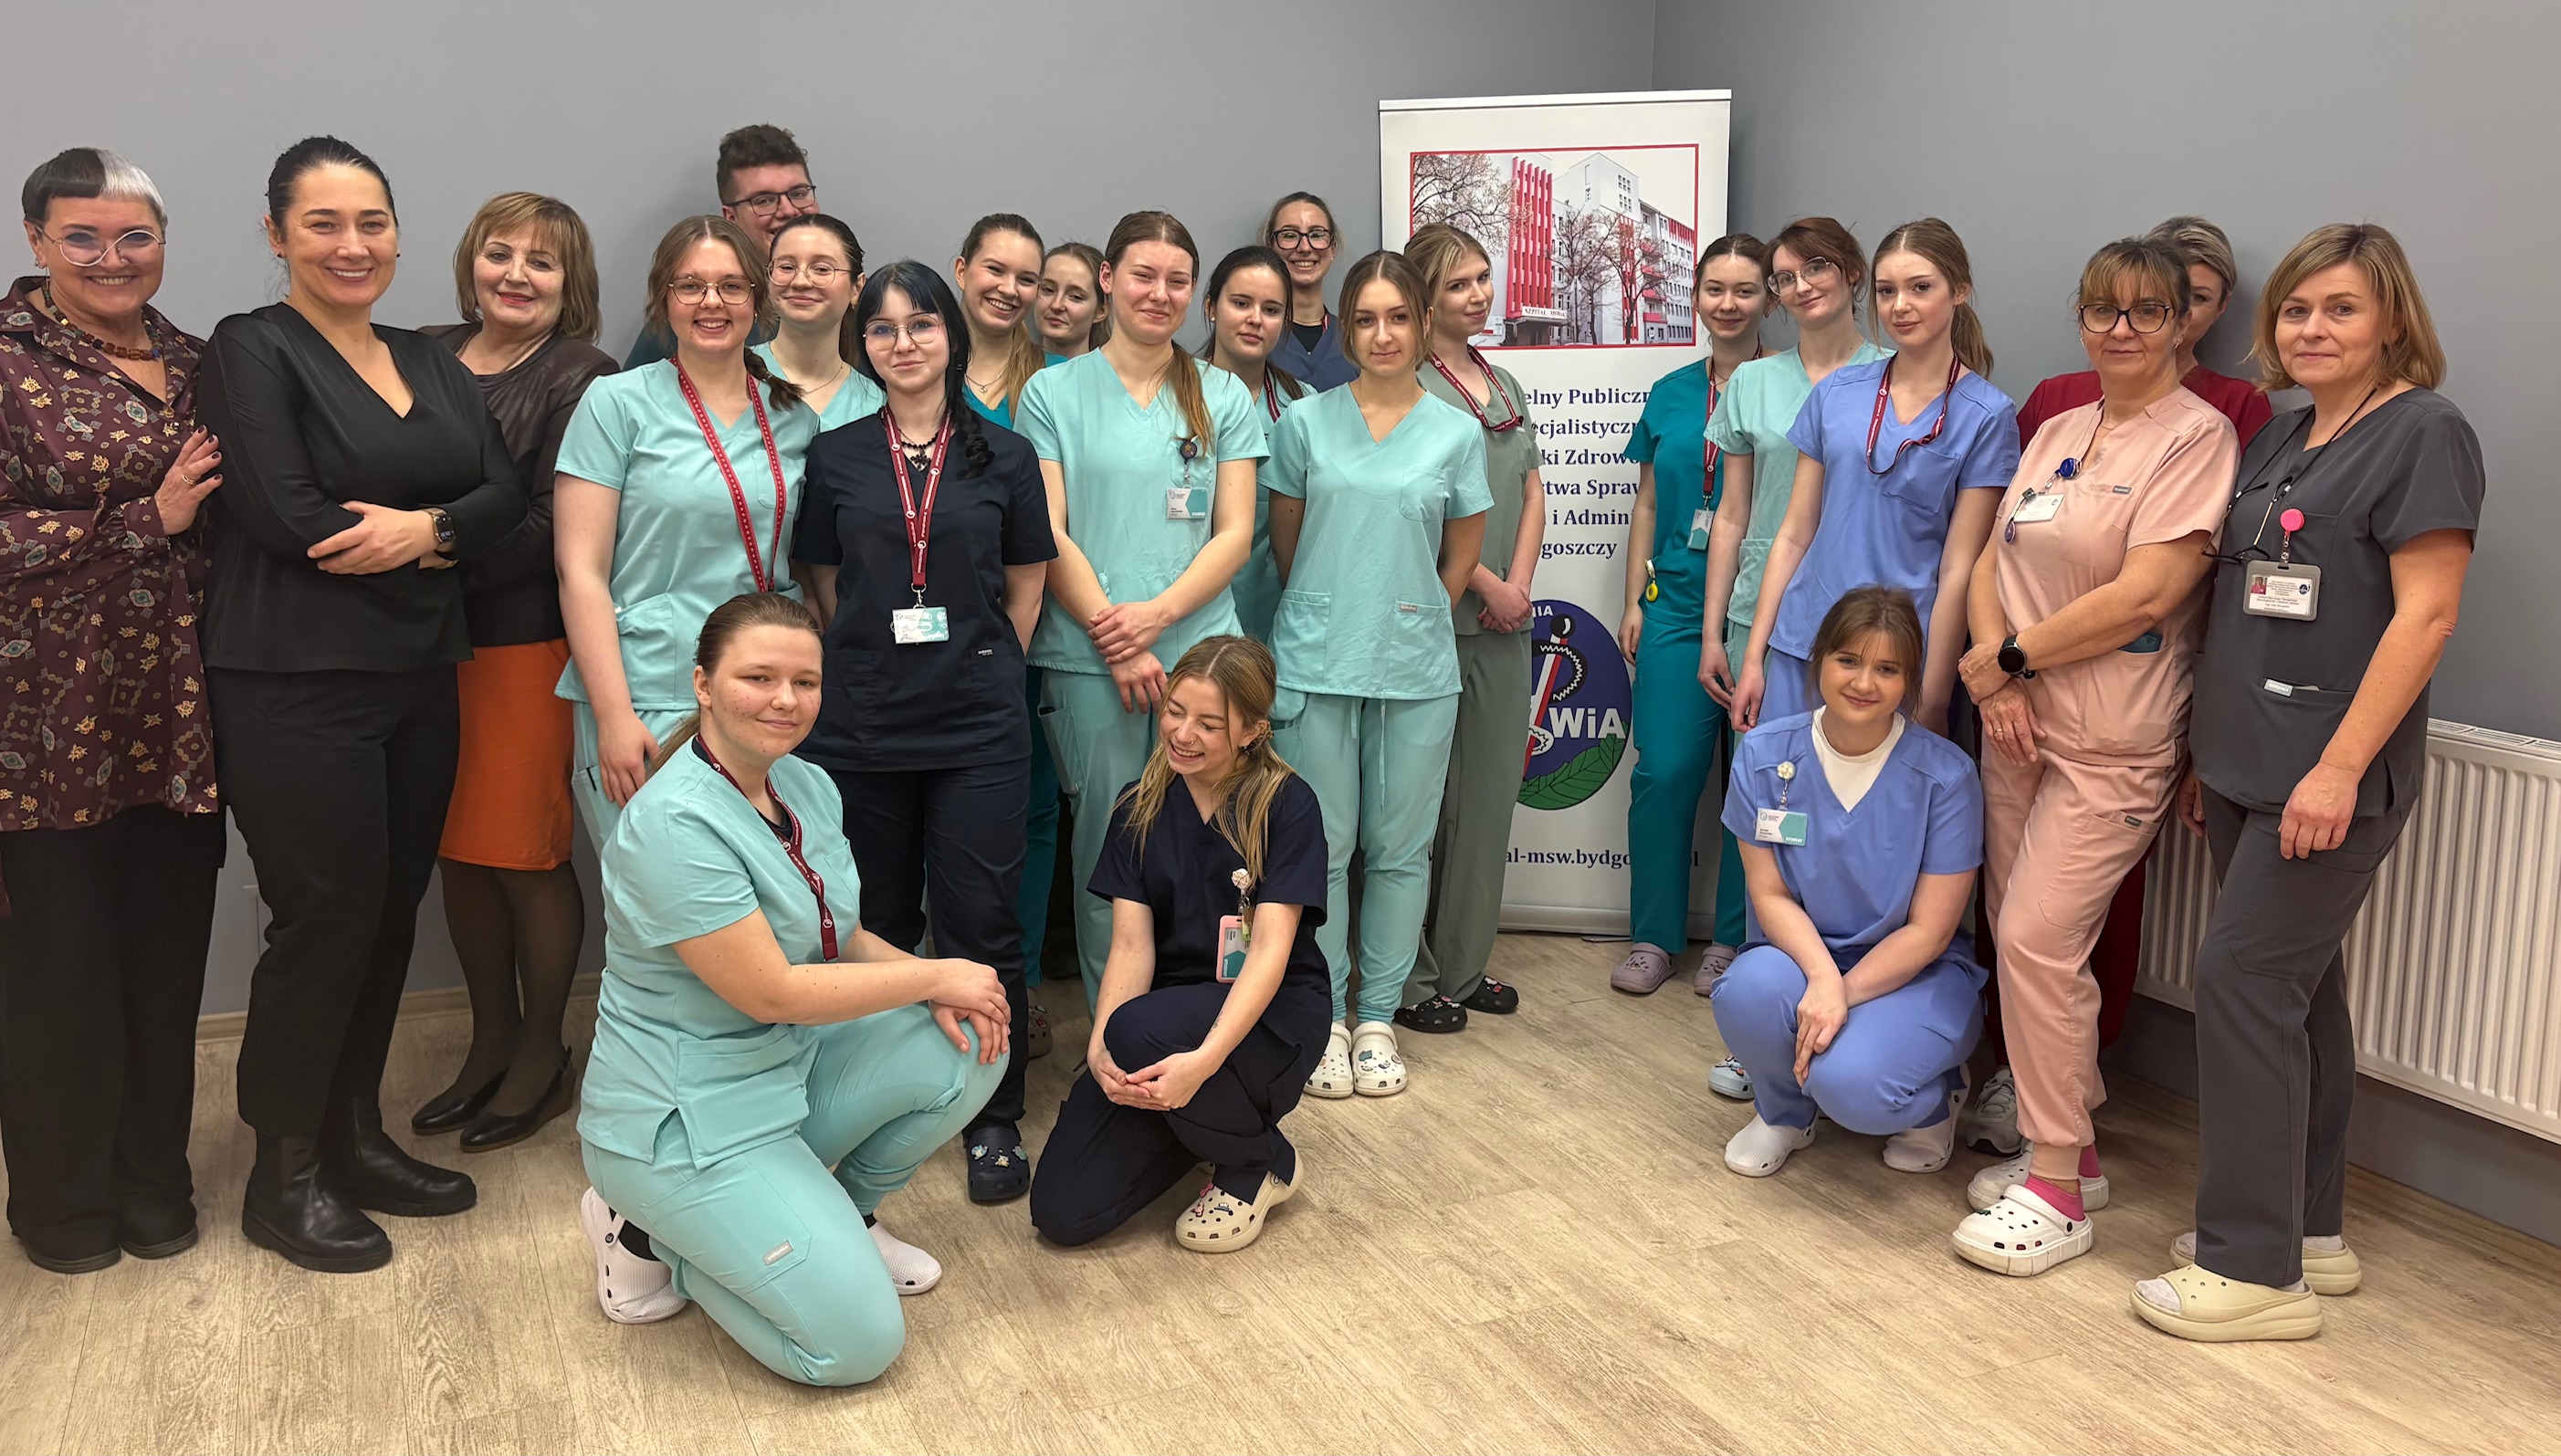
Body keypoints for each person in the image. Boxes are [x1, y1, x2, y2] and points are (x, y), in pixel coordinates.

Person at [2134, 225, 2480, 1342]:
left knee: (2240, 979)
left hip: (2327, 773)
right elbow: (2245, 603)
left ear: (2391, 320)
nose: (2311, 328)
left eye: (2340, 308)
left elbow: (2426, 615)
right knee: (2301, 993)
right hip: (2242, 761)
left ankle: (2252, 1269)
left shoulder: (2424, 432)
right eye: (2295, 309)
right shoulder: (2283, 435)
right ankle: (2308, 1229)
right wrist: (2207, 756)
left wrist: (2336, 767)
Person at [198, 137, 525, 1272]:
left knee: (388, 912)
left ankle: (353, 1136)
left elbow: (503, 492)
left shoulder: (429, 356)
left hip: (420, 672)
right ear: (277, 233)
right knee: (325, 916)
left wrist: (425, 529)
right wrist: (438, 530)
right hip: (293, 679)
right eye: (324, 223)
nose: (353, 245)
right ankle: (283, 1171)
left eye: (372, 222)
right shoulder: (250, 347)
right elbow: (288, 515)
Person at [575, 592, 1008, 1385]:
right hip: (687, 1118)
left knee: (971, 1036)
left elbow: (843, 938)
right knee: (857, 1345)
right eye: (759, 677)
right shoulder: (673, 823)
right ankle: (648, 1231)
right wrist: (934, 972)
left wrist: (941, 992)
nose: (785, 699)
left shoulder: (804, 785)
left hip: (786, 1069)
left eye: (804, 682)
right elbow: (770, 992)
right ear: (703, 684)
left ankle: (840, 1214)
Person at [1949, 237, 2235, 1277]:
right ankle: (2072, 1150)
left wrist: (2009, 660)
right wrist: (1995, 678)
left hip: (2113, 736)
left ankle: (2058, 1193)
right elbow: (1992, 562)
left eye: (2146, 310)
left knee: (2036, 937)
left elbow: (2147, 594)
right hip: (2016, 726)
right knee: (2024, 943)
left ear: (2180, 322)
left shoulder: (2196, 438)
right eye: (2102, 310)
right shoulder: (2059, 428)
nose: (2121, 329)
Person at [0, 148, 226, 1275]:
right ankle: (61, 1204)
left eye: (135, 236)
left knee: (164, 960)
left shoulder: (198, 361)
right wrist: (146, 520)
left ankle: (153, 1181)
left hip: (182, 721)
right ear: (37, 240)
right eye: (82, 236)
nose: (111, 258)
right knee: (58, 969)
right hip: (48, 725)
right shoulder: (6, 360)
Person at [794, 260, 1056, 1205]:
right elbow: (824, 580)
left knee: (982, 922)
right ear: (862, 344)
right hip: (862, 721)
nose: (902, 343)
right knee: (877, 923)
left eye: (920, 324)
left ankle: (992, 1113)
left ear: (952, 334)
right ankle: (875, 1101)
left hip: (978, 722)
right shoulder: (837, 455)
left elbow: (1025, 585)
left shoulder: (1006, 456)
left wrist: (984, 662)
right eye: (882, 328)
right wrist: (877, 654)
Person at [412, 193, 617, 1152]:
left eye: (543, 261)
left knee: (526, 854)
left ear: (571, 284)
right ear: (471, 260)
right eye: (501, 253)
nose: (517, 275)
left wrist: (423, 550)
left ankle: (542, 1048)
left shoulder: (583, 375)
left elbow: (548, 530)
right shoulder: (421, 352)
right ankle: (490, 1036)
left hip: (520, 643)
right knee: (457, 850)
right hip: (416, 646)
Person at [1021, 211, 1263, 1013]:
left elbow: (1234, 533)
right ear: (1107, 280)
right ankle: (1117, 1034)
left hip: (1201, 658)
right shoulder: (1052, 392)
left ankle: (1196, 1030)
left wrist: (1155, 618)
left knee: (1211, 852)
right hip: (1091, 660)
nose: (1159, 294)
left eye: (1177, 281)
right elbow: (1047, 530)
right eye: (1142, 275)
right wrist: (1119, 641)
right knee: (1109, 855)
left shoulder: (1221, 394)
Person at [1266, 250, 1490, 1097]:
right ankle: (1321, 1015)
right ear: (1345, 330)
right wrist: (1335, 606)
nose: (1383, 334)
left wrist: (1407, 616)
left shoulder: (1455, 432)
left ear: (1424, 323)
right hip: (1318, 655)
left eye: (1398, 317)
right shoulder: (1304, 423)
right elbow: (1287, 542)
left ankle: (1375, 1019)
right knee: (1318, 850)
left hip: (1413, 663)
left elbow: (1459, 559)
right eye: (1364, 319)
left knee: (1399, 850)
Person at [1029, 636, 1329, 1251]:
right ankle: (1200, 1128)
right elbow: (1130, 950)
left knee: (1137, 1029)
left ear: (1252, 730)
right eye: (1175, 711)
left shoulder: (1286, 805)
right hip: (1158, 1026)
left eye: (1209, 724)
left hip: (1270, 1016)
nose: (1183, 734)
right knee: (1063, 1211)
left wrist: (1202, 1061)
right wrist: (1100, 1048)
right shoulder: (1137, 807)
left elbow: (1268, 953)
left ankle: (1260, 1161)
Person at [1694, 218, 1892, 1101]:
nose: (1799, 285)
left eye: (1816, 268)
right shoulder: (1752, 384)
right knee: (1774, 821)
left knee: (1858, 826)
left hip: (1861, 634)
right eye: (1783, 275)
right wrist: (1718, 634)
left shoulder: (1892, 376)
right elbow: (1733, 517)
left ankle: (1854, 1006)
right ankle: (1765, 1019)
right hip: (1765, 626)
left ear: (1850, 274)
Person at [556, 216, 815, 847]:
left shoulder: (794, 418)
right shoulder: (614, 404)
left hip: (762, 695)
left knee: (760, 888)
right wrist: (614, 715)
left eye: (731, 286)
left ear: (757, 298)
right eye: (690, 285)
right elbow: (579, 570)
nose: (711, 302)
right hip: (647, 690)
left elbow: (803, 563)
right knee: (658, 889)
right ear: (663, 298)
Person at [1710, 587, 1985, 1178]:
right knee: (1744, 992)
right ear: (1819, 660)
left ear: (1909, 680)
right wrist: (1820, 978)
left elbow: (1931, 932)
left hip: (1916, 973)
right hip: (1800, 956)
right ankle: (1784, 1113)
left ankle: (1934, 1102)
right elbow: (1769, 893)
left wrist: (1841, 992)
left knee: (1853, 1088)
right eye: (1848, 660)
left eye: (1887, 668)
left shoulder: (1945, 776)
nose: (1864, 682)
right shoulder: (1763, 756)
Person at [1731, 218, 2018, 737]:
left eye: (1920, 288)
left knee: (1881, 791)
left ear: (1959, 291)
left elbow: (1959, 568)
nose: (1900, 306)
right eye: (1887, 291)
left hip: (1897, 661)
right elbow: (1794, 534)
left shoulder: (1986, 415)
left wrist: (1933, 696)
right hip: (1804, 642)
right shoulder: (1836, 394)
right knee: (1784, 788)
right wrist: (1755, 658)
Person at [1609, 232, 1770, 1000]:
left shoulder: (1789, 387)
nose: (1727, 304)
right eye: (1715, 289)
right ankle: (1653, 936)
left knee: (1753, 776)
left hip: (1759, 605)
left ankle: (1734, 940)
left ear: (1769, 298)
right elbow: (1646, 501)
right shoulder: (1670, 390)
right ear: (1696, 295)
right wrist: (1632, 597)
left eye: (1745, 289)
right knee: (1664, 770)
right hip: (1672, 601)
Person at [1401, 224, 1539, 1033]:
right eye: (1457, 284)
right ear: (1423, 298)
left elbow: (1532, 488)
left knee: (1486, 804)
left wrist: (1516, 586)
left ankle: (1462, 964)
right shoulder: (1408, 386)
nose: (1478, 294)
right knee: (1418, 810)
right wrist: (1484, 581)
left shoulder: (1502, 381)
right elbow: (1414, 510)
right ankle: (1411, 976)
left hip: (1503, 625)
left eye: (1483, 277)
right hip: (1438, 618)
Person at [2012, 216, 2272, 447]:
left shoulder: (2235, 406)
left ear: (2221, 306)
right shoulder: (2054, 398)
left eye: (2197, 297)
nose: (2124, 330)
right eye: (2148, 303)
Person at [623, 124, 817, 368]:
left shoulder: (846, 301)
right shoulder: (692, 311)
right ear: (731, 217)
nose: (788, 210)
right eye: (765, 200)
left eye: (798, 194)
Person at [1194, 244, 1310, 644]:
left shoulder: (1305, 406)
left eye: (1271, 309)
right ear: (1211, 307)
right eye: (1241, 303)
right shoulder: (1173, 396)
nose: (1255, 319)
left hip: (1281, 611)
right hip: (1192, 609)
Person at [752, 215, 886, 433]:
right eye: (786, 267)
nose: (800, 282)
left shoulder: (876, 404)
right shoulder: (734, 372)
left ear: (857, 288)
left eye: (822, 269)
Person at [952, 214, 1049, 429]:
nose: (1009, 290)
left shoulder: (1057, 376)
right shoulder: (918, 366)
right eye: (995, 270)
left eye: (1026, 280)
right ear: (961, 271)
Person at [1263, 193, 1357, 391]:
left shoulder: (1355, 339)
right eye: (1289, 235)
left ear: (1333, 248)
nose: (1305, 248)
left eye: (1317, 235)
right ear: (1270, 247)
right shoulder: (1255, 333)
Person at [1036, 241, 1108, 359]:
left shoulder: (1110, 370)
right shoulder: (1009, 365)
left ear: (1100, 311)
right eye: (1048, 290)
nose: (1056, 305)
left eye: (1076, 297)